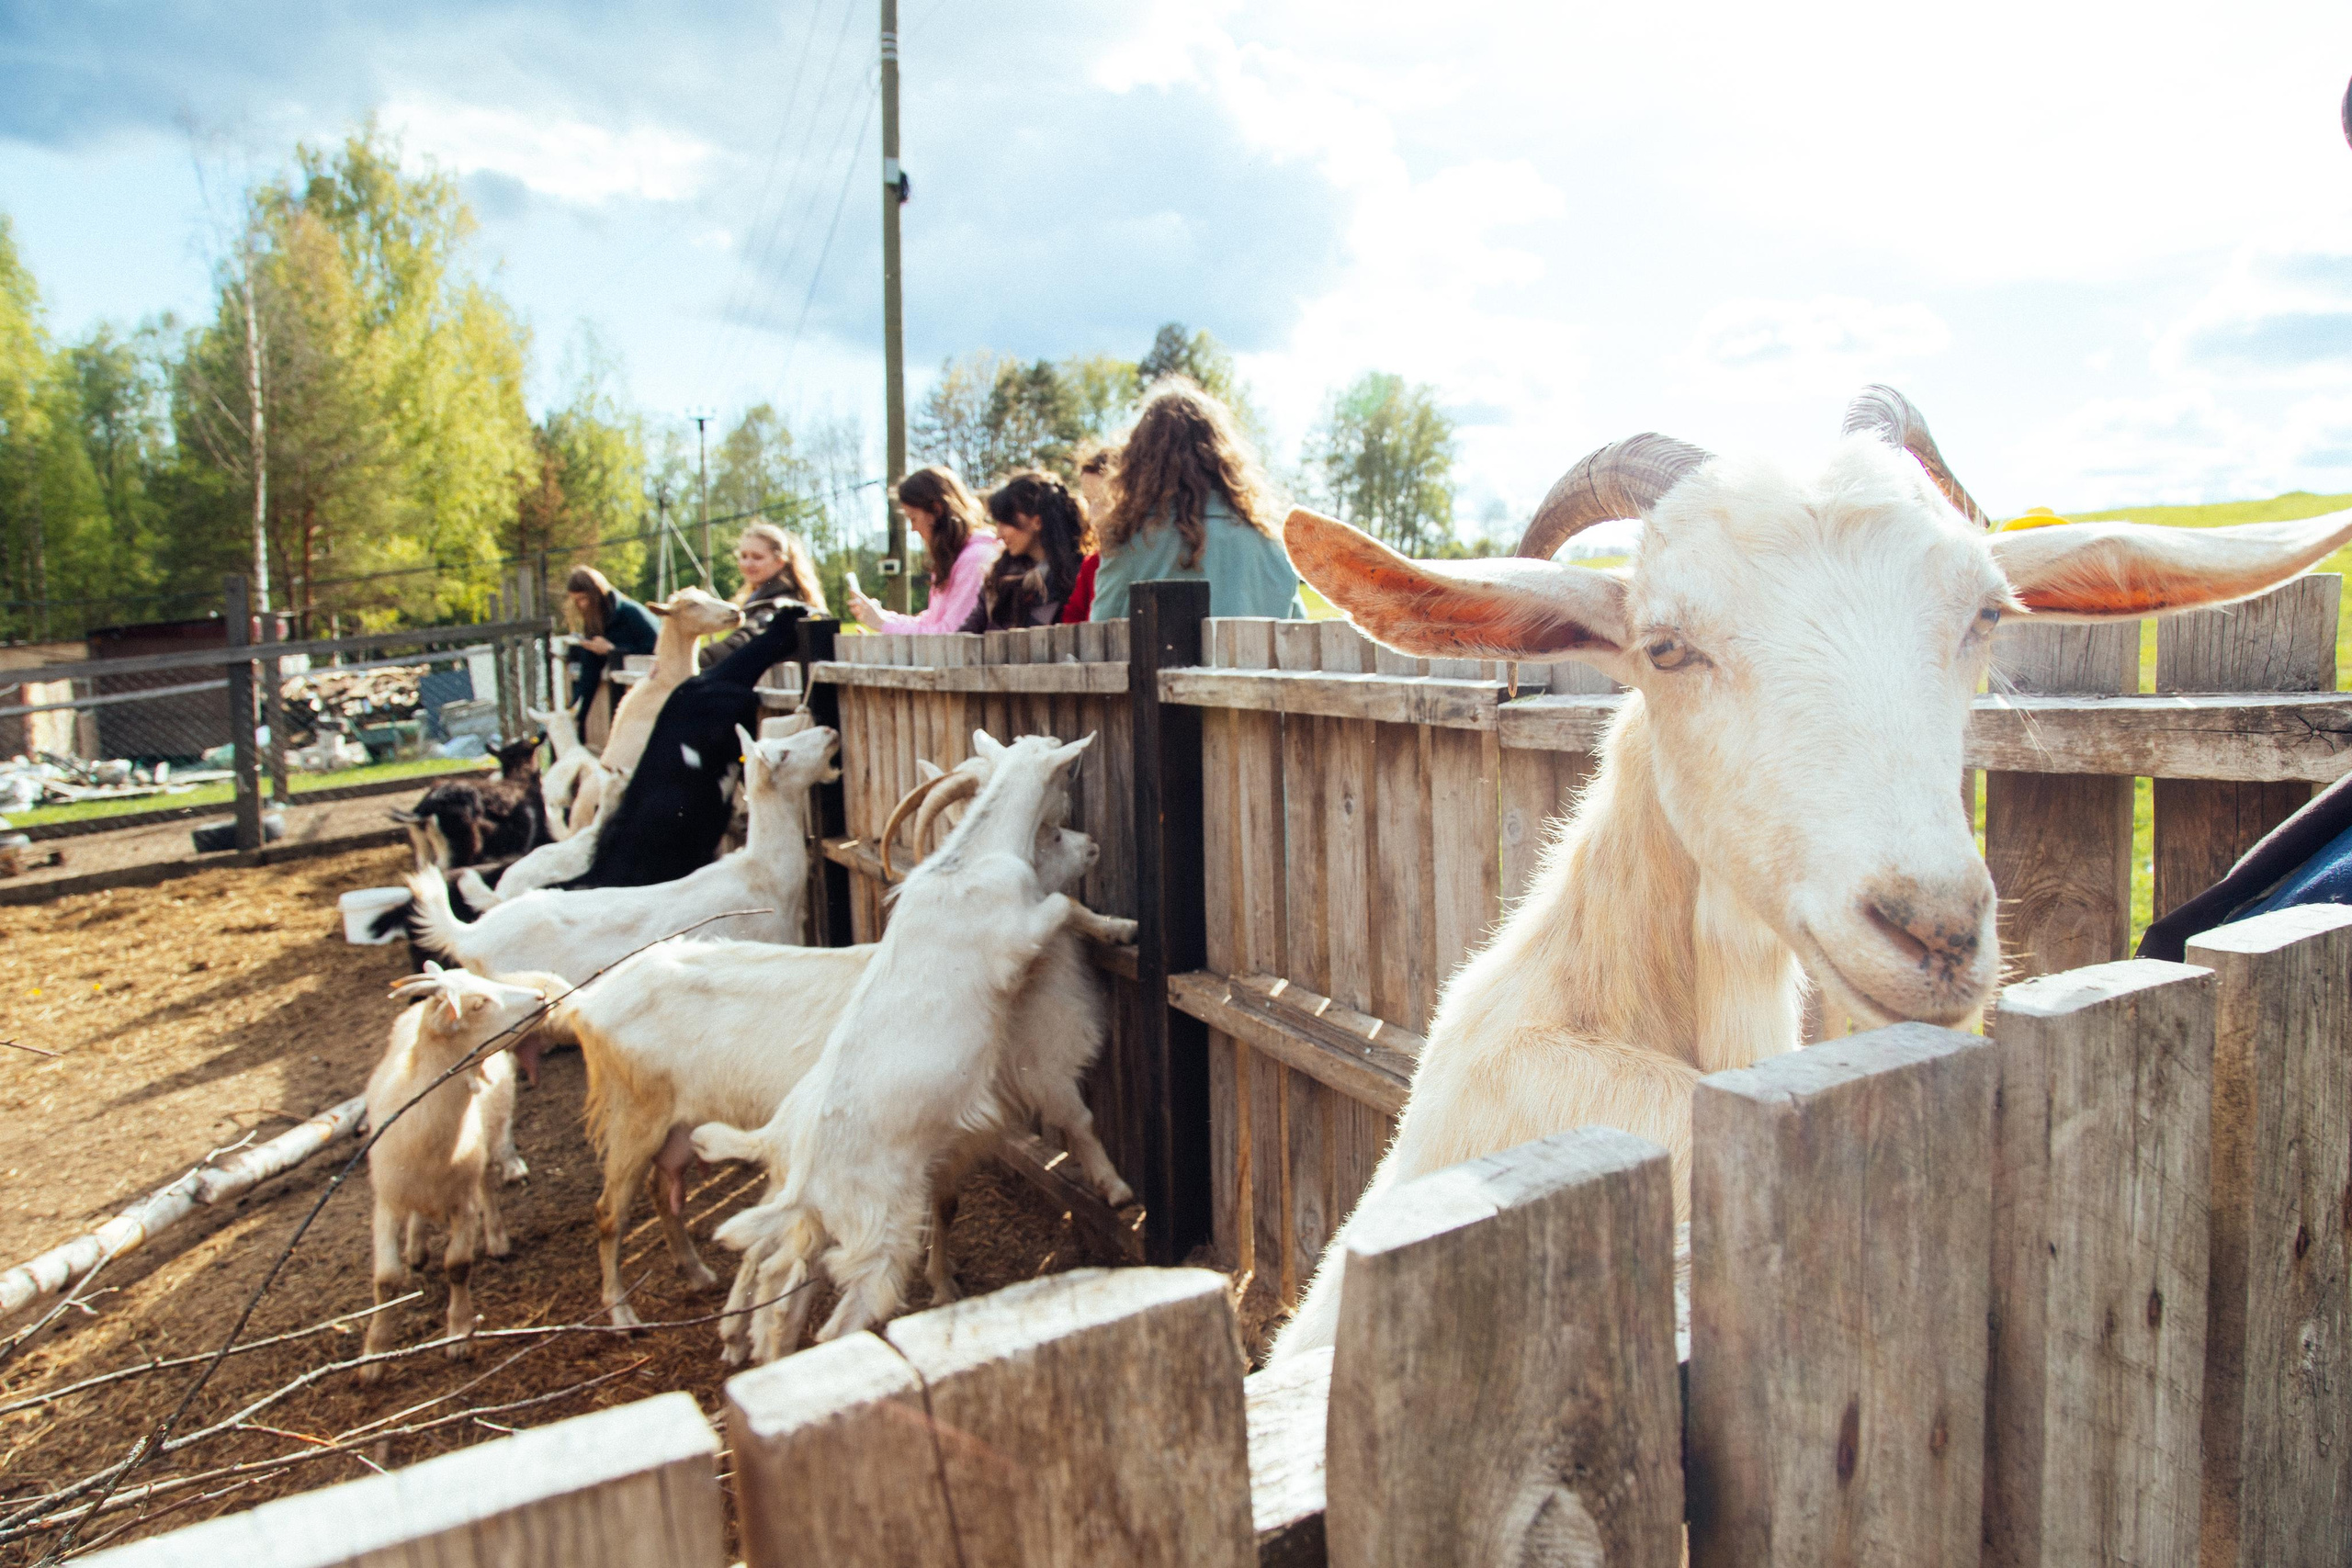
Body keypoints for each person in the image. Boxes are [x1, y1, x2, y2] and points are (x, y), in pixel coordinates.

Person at [1089, 378, 1304, 622]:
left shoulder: (1130, 542)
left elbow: (1102, 639)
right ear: (1222, 456)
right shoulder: (1272, 544)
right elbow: (1298, 636)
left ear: (1140, 460)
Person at [844, 467, 1000, 634]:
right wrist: (882, 617)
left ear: (937, 510)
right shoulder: (955, 557)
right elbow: (931, 621)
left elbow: (951, 634)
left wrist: (883, 623)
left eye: (913, 518)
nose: (913, 528)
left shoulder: (976, 558)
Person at [962, 469, 1094, 631]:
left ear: (1037, 522)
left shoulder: (1078, 576)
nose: (999, 534)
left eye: (1005, 522)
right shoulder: (999, 576)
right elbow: (968, 632)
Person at [702, 519, 828, 669]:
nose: (747, 564)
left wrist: (699, 658)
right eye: (743, 556)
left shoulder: (783, 604)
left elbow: (746, 639)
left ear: (780, 561)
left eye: (757, 557)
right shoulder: (757, 596)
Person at [563, 566, 658, 745]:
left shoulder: (630, 613)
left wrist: (613, 649)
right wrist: (577, 711)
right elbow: (588, 672)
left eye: (584, 598)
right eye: (577, 601)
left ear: (596, 593)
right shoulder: (595, 621)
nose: (582, 605)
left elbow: (656, 645)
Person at [1057, 446, 1112, 625]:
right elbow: (1072, 620)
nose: (1093, 514)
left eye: (1102, 501)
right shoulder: (1092, 565)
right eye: (1089, 502)